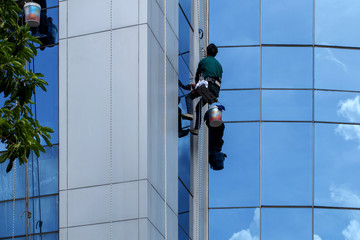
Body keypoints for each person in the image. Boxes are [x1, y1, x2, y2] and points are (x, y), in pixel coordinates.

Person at [185, 43, 223, 135]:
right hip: (215, 91)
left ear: (207, 51)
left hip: (206, 88)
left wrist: (196, 86)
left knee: (189, 97)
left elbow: (198, 76)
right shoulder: (219, 65)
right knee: (199, 107)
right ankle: (196, 129)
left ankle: (190, 114)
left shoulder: (204, 61)